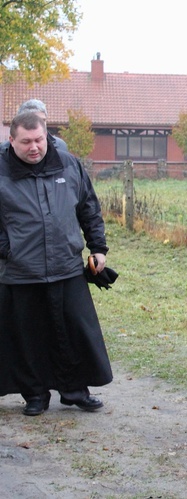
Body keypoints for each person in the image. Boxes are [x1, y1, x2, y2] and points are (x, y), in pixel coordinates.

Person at [0, 112, 112, 416]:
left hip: (66, 265)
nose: (34, 147)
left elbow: (89, 207)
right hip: (21, 271)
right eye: (26, 142)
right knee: (29, 336)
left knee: (72, 332)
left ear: (46, 136)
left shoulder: (68, 163)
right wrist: (7, 249)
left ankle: (75, 391)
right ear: (12, 141)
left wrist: (98, 248)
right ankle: (35, 394)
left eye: (39, 140)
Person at [0, 99, 68, 153]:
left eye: (43, 120)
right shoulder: (5, 149)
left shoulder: (60, 145)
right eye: (35, 121)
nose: (41, 124)